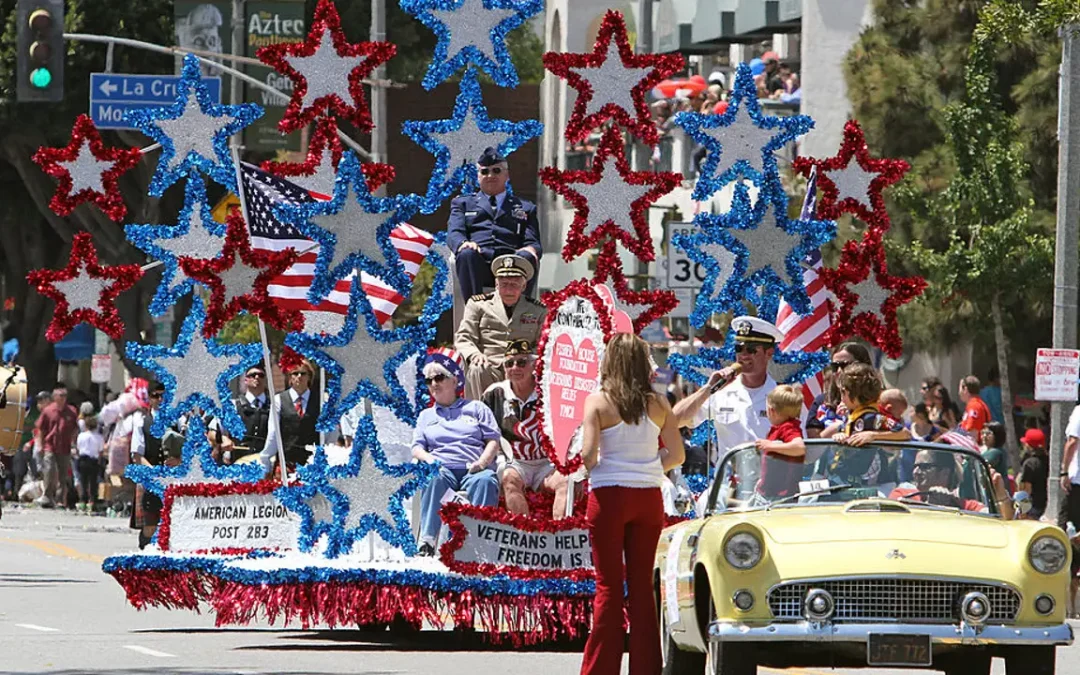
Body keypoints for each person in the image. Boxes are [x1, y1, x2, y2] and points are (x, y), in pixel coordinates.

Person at [579, 333, 686, 675]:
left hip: (609, 495)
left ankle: (599, 670)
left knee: (608, 586)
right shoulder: (659, 403)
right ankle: (646, 669)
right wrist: (650, 466)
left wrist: (587, 470)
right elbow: (678, 454)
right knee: (642, 588)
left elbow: (587, 454)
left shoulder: (597, 401)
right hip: (647, 497)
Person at [412, 354, 502, 557]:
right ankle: (427, 541)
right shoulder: (426, 416)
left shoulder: (476, 408)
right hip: (443, 469)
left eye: (439, 378)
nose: (434, 384)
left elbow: (493, 441)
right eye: (429, 380)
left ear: (454, 380)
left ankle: (478, 543)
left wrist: (482, 462)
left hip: (473, 468)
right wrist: (429, 460)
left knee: (486, 480)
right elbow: (417, 447)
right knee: (433, 477)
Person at [673, 316, 781, 463]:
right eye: (739, 348)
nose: (743, 355)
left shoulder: (782, 397)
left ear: (769, 353)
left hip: (768, 481)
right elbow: (675, 420)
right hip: (729, 482)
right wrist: (708, 389)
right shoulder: (720, 392)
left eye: (751, 349)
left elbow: (802, 448)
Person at [482, 339, 569, 519]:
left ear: (534, 365)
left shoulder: (550, 391)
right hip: (515, 462)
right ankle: (525, 536)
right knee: (509, 480)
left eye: (521, 362)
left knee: (566, 482)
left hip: (547, 461)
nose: (515, 368)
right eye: (509, 364)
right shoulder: (494, 394)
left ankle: (559, 533)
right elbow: (483, 433)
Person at [447, 147, 542, 299]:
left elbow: (534, 242)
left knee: (528, 257)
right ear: (478, 177)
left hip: (511, 264)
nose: (490, 175)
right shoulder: (463, 203)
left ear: (507, 175)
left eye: (496, 170)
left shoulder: (525, 207)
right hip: (478, 263)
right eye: (484, 172)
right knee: (465, 254)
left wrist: (530, 249)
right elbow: (454, 233)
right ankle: (475, 311)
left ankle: (518, 313)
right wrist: (463, 243)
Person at [454, 254, 546, 400]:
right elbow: (464, 337)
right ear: (496, 285)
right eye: (504, 285)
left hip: (521, 367)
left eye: (514, 285)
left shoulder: (538, 310)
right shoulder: (478, 305)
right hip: (490, 366)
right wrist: (474, 355)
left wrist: (526, 360)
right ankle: (480, 415)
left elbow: (542, 345)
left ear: (523, 286)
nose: (509, 290)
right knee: (477, 368)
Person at [829, 363, 911, 484]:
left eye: (843, 392)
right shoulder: (851, 416)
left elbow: (904, 433)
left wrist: (873, 435)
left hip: (860, 481)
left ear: (855, 394)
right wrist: (838, 436)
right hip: (839, 477)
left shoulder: (873, 417)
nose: (841, 397)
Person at [260, 359, 319, 473]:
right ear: (289, 377)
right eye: (295, 373)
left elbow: (328, 434)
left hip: (313, 465)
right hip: (286, 464)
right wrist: (265, 457)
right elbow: (273, 432)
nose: (299, 376)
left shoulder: (320, 400)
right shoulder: (278, 400)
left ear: (309, 377)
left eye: (303, 373)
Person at [806, 342, 872, 439]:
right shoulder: (821, 402)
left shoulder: (881, 400)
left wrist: (873, 435)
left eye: (845, 365)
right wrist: (839, 427)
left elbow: (899, 433)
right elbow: (814, 445)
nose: (839, 371)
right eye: (835, 366)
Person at [211, 364, 270, 465]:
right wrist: (224, 440)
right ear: (245, 380)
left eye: (261, 375)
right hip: (238, 466)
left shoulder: (275, 406)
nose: (257, 377)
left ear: (265, 380)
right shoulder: (232, 406)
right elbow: (212, 432)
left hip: (267, 468)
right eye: (253, 375)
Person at [754, 384, 806, 499]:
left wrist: (770, 446)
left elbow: (799, 447)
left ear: (772, 411)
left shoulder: (789, 427)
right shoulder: (778, 428)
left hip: (781, 496)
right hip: (768, 491)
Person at [36, 385, 78, 508]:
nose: (63, 398)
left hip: (65, 447)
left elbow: (75, 429)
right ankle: (47, 496)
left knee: (63, 474)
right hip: (50, 445)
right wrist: (40, 445)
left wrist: (73, 444)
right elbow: (41, 429)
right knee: (49, 469)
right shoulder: (48, 411)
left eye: (65, 396)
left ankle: (60, 499)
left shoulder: (72, 411)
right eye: (60, 396)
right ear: (54, 397)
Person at [1018, 428, 1049, 519]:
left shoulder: (1030, 463)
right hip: (1045, 503)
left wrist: (1023, 511)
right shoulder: (1048, 460)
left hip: (1033, 507)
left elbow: (1026, 490)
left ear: (1029, 445)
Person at [75, 415, 103, 513]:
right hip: (93, 460)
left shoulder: (81, 436)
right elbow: (100, 451)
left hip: (83, 459)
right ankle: (92, 501)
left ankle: (82, 500)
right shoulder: (99, 437)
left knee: (83, 481)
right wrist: (99, 462)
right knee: (93, 482)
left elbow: (78, 448)